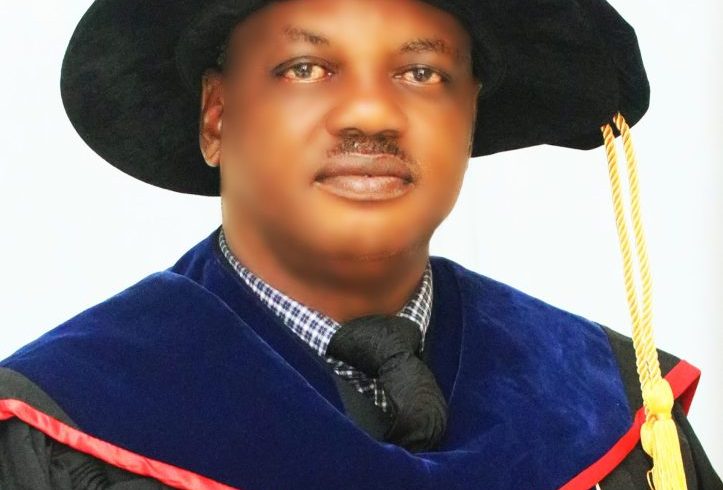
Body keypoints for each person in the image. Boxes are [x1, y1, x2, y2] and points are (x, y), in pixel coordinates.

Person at [0, 0, 720, 489]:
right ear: (217, 116)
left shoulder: (607, 405)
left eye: (421, 73)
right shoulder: (70, 416)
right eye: (305, 68)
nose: (372, 114)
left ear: (468, 113)